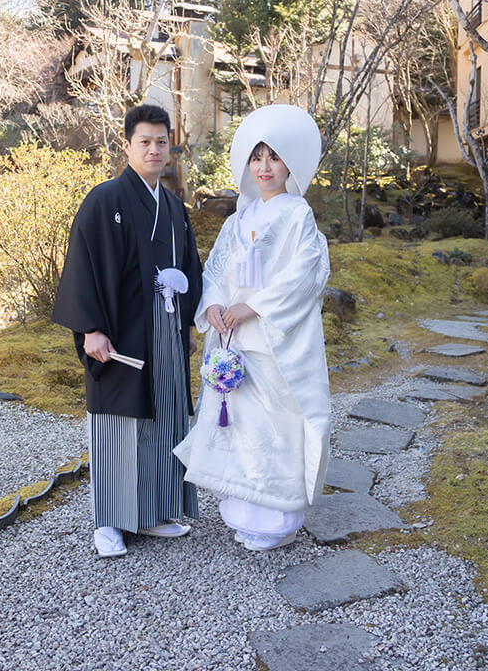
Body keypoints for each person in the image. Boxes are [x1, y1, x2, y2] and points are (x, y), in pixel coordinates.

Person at [173, 103, 331, 551]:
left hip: (272, 340)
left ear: (289, 165)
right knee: (238, 426)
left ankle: (277, 517)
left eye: (274, 157)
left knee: (273, 425)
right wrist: (218, 305)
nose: (264, 167)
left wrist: (253, 307)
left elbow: (304, 276)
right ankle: (241, 510)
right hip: (234, 339)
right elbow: (216, 273)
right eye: (257, 157)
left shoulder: (298, 216)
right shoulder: (236, 221)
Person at [52, 103, 202, 558]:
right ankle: (111, 521)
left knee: (165, 417)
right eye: (145, 142)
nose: (155, 150)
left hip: (166, 329)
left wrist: (187, 321)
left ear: (170, 147)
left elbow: (189, 267)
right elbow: (85, 266)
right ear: (127, 145)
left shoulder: (174, 208)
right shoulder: (105, 200)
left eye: (162, 142)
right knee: (118, 423)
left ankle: (154, 512)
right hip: (120, 333)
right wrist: (91, 329)